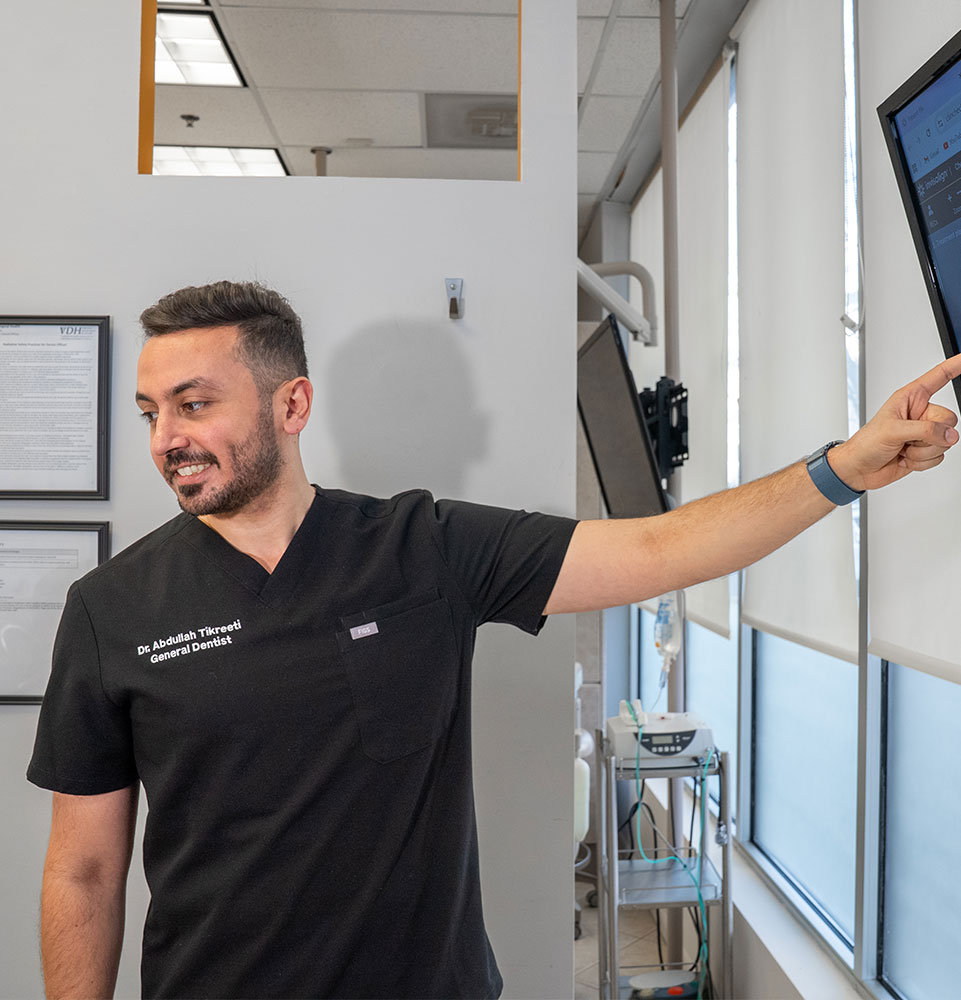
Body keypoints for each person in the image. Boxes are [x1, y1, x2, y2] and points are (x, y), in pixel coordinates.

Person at [28, 280, 961, 1000]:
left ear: (292, 404)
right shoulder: (112, 607)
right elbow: (83, 864)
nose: (166, 438)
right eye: (151, 411)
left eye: (193, 404)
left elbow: (658, 547)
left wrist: (842, 468)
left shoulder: (421, 547)